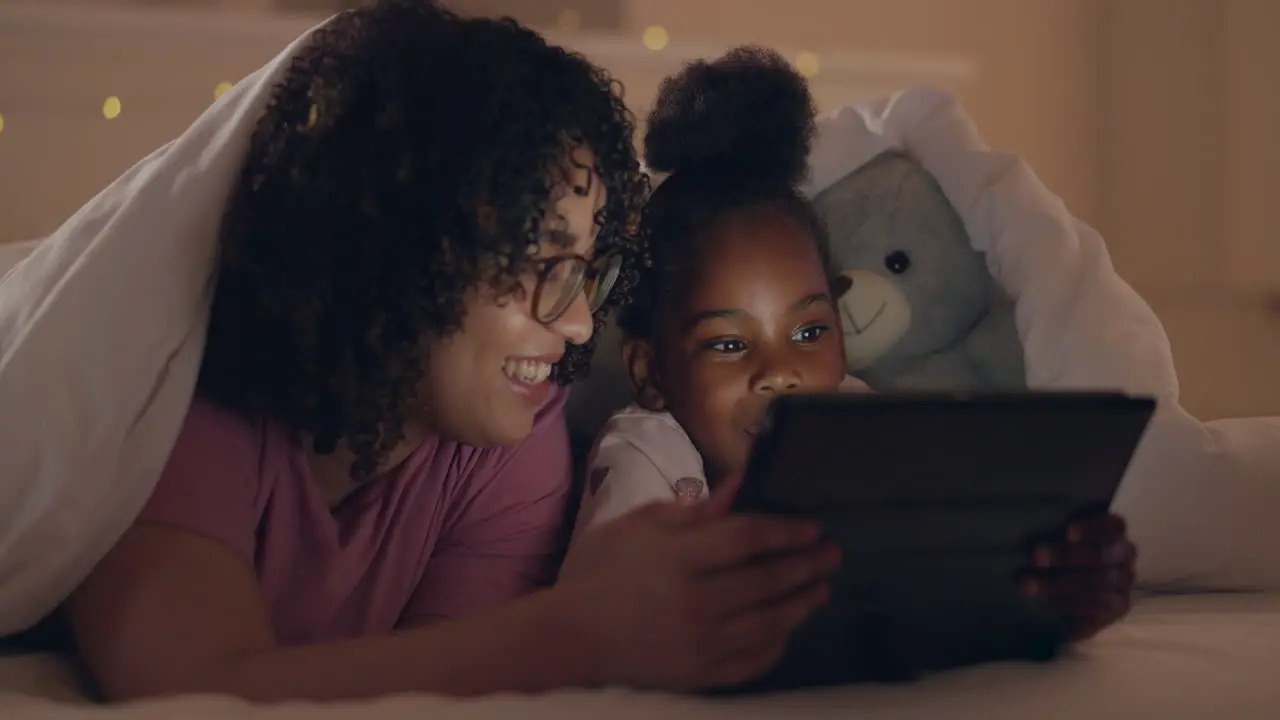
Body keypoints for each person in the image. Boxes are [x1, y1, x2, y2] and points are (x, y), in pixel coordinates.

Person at [64, 3, 839, 702]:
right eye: (539, 264)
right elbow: (196, 694)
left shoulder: (515, 437)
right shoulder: (187, 401)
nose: (576, 326)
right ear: (401, 244)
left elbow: (448, 690)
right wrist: (582, 628)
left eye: (588, 271)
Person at [569, 46, 1137, 646]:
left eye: (810, 333)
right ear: (649, 371)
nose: (780, 372)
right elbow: (599, 612)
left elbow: (947, 570)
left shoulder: (865, 426)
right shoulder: (646, 451)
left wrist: (1055, 591)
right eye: (731, 343)